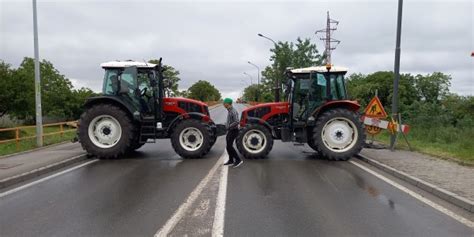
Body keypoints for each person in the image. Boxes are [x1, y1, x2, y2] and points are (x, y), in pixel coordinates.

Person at [223, 98, 243, 168]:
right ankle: (231, 160)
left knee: (229, 146)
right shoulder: (229, 110)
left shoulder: (233, 111)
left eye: (224, 103)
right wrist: (226, 124)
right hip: (230, 130)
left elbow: (237, 121)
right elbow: (231, 120)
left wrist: (229, 126)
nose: (223, 104)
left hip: (234, 130)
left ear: (227, 104)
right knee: (228, 146)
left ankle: (238, 160)